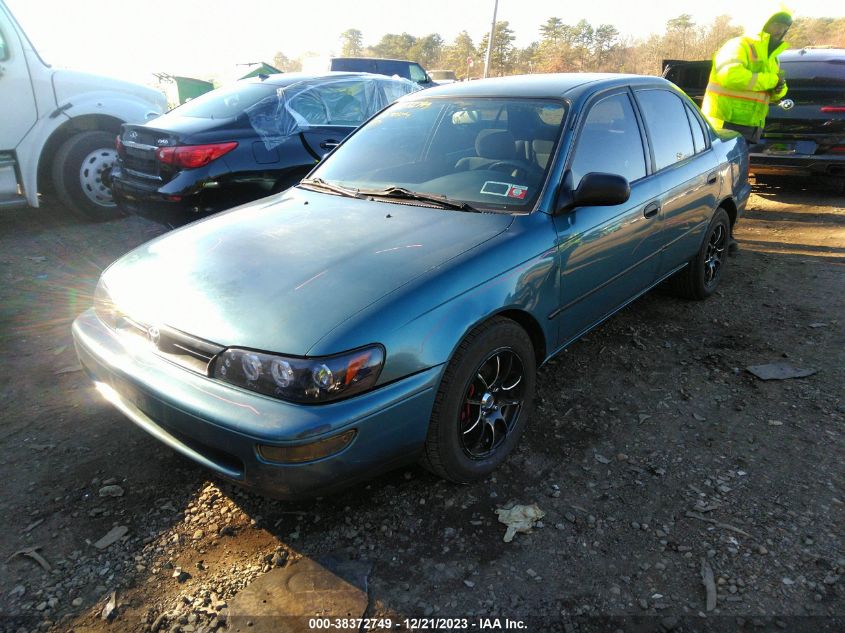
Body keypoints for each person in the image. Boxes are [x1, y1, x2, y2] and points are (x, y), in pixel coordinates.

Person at [702, 11, 792, 145]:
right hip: (724, 123)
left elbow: (774, 92)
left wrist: (779, 89)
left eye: (785, 27)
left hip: (751, 126)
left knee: (741, 166)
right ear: (762, 24)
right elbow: (730, 76)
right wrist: (773, 80)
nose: (780, 30)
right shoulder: (738, 45)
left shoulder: (773, 58)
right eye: (776, 24)